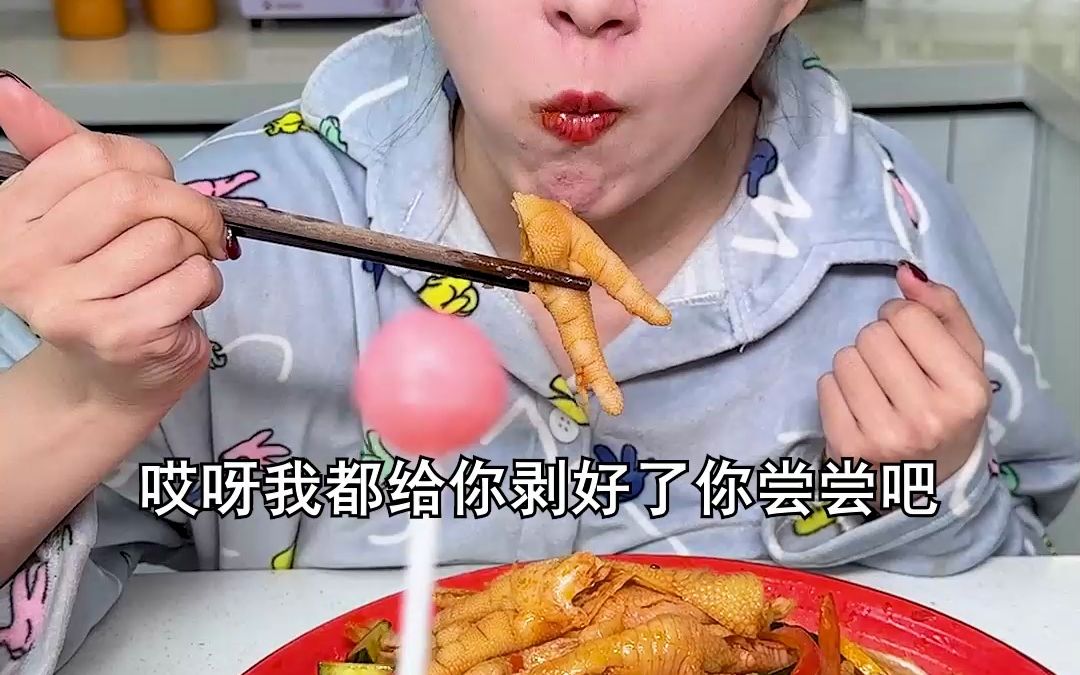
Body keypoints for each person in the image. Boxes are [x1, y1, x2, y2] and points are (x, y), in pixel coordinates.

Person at [1, 0, 1077, 671]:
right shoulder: (218, 238)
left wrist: (934, 489)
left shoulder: (892, 230)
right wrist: (80, 397)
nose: (592, 8)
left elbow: (1015, 592)